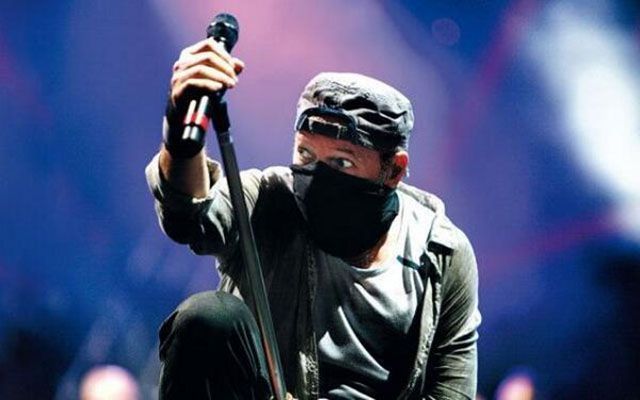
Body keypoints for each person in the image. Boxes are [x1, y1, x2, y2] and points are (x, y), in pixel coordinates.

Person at [146, 37, 481, 400]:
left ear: (394, 170)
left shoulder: (441, 253)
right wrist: (181, 132)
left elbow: (452, 393)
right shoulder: (269, 199)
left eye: (342, 161)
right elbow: (189, 217)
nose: (317, 176)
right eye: (305, 154)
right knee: (209, 316)